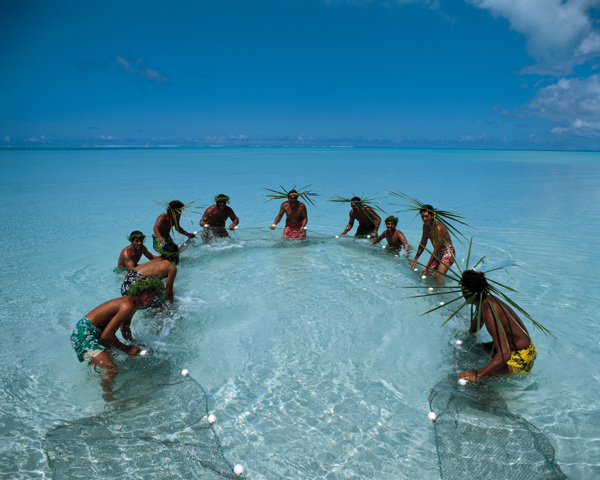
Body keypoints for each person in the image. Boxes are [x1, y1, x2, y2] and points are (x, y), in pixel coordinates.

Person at [70, 277, 165, 376]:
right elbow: (106, 336)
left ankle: (100, 371)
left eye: (155, 295)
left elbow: (125, 329)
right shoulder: (127, 306)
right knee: (112, 369)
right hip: (84, 334)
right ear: (140, 291)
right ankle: (108, 392)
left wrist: (134, 343)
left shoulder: (133, 305)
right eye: (149, 294)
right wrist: (127, 349)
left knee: (113, 357)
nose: (152, 298)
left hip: (94, 333)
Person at [458, 269, 537, 382]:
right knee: (474, 349)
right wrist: (467, 333)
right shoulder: (485, 301)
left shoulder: (491, 314)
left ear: (468, 293)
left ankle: (495, 399)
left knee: (477, 379)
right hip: (519, 348)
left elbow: (505, 355)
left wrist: (477, 375)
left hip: (520, 358)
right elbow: (475, 327)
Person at [409, 205, 455, 277]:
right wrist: (416, 258)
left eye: (426, 216)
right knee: (429, 274)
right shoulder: (425, 227)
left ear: (432, 215)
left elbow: (436, 249)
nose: (424, 219)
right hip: (438, 253)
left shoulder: (438, 228)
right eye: (422, 217)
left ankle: (442, 288)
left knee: (437, 276)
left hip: (447, 252)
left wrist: (426, 266)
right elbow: (423, 243)